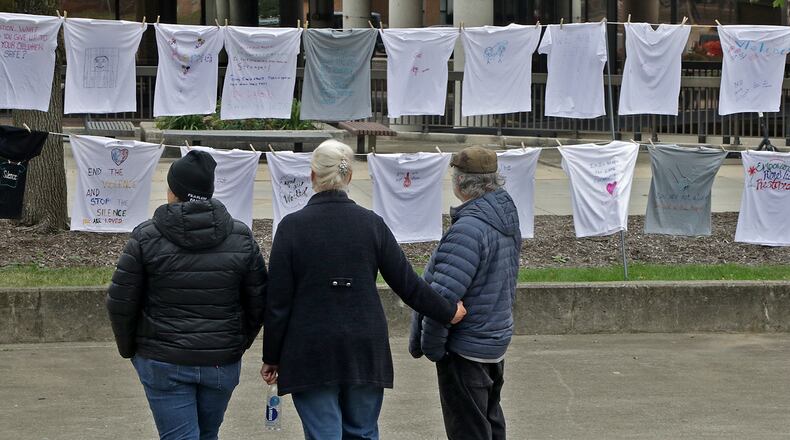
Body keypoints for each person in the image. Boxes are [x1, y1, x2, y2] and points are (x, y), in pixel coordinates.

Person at [261, 140, 466, 440]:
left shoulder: (291, 228)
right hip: (364, 344)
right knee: (363, 431)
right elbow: (408, 284)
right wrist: (448, 311)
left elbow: (278, 302)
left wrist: (272, 356)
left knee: (324, 433)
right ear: (349, 177)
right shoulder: (372, 224)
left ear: (312, 176)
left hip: (310, 348)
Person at [106, 150, 267, 440]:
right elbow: (258, 301)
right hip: (221, 360)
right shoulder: (241, 237)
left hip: (162, 360)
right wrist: (236, 343)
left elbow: (120, 302)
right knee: (207, 435)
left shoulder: (146, 237)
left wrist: (130, 349)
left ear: (173, 191)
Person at [409, 146, 521, 440]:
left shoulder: (468, 229)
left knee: (469, 430)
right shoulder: (504, 217)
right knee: (490, 424)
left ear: (459, 183)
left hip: (466, 349)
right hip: (493, 341)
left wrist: (432, 348)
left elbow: (441, 299)